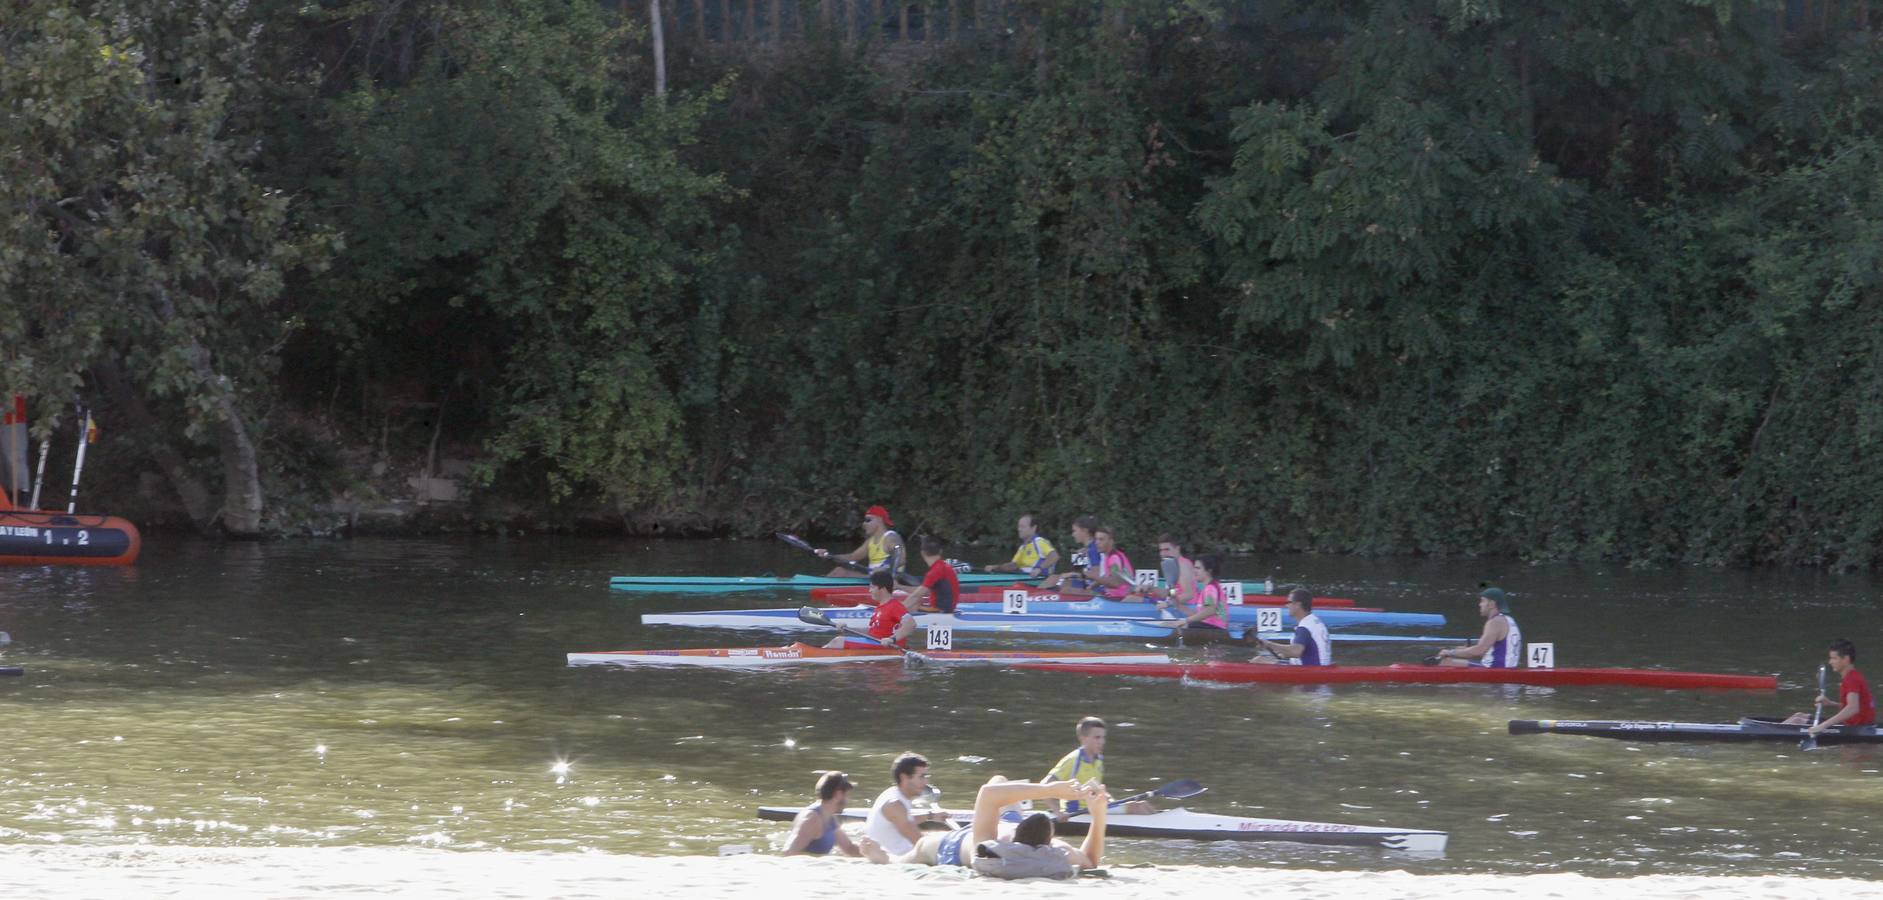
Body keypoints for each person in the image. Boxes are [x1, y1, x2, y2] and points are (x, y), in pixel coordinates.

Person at [858, 777, 1110, 879]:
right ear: (1049, 841)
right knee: (1000, 779)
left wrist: (1050, 790)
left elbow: (986, 794)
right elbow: (1091, 859)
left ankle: (885, 859)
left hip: (954, 845)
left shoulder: (990, 844)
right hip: (1005, 822)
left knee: (919, 849)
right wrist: (1099, 814)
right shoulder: (1057, 849)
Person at [1043, 717, 1156, 818]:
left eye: (1103, 737)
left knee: (1143, 804)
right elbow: (1045, 785)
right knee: (1136, 808)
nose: (1102, 742)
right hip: (1077, 811)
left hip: (1096, 806)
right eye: (1097, 737)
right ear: (1083, 738)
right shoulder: (1073, 760)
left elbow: (1097, 789)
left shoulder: (1099, 760)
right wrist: (1058, 812)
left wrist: (1114, 802)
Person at [864, 752, 954, 857]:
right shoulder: (895, 805)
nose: (926, 782)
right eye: (922, 777)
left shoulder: (893, 794)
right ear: (904, 778)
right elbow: (922, 845)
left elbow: (905, 820)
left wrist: (931, 816)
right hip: (896, 863)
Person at [1781, 639, 1876, 735]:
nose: (1830, 662)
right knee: (1799, 715)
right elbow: (1857, 705)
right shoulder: (1853, 676)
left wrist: (1822, 726)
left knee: (1797, 720)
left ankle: (1772, 734)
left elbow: (1853, 708)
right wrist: (1831, 703)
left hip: (1858, 729)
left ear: (1846, 659)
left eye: (1834, 658)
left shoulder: (1851, 679)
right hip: (1859, 726)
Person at [823, 570, 916, 649]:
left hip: (888, 646)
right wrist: (847, 628)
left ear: (882, 589)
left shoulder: (895, 606)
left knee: (838, 641)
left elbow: (911, 624)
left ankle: (814, 655)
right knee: (840, 639)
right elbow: (871, 632)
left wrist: (892, 639)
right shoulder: (880, 608)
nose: (869, 591)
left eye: (872, 587)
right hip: (876, 642)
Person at [781, 771, 863, 857]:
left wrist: (873, 853)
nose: (848, 800)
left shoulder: (830, 818)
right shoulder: (811, 819)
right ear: (838, 794)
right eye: (847, 795)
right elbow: (788, 852)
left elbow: (849, 848)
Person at [1437, 586, 1522, 667]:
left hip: (1494, 669)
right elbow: (1487, 649)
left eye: (1483, 601)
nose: (1480, 604)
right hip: (1507, 668)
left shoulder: (1495, 622)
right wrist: (1463, 650)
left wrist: (1450, 652)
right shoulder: (1509, 619)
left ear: (1492, 604)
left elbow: (1479, 651)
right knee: (1457, 656)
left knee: (1444, 662)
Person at [817, 505, 905, 578]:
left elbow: (901, 559)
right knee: (839, 571)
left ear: (879, 520)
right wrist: (829, 556)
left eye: (868, 520)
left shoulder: (891, 537)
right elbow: (852, 557)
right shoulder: (870, 541)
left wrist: (884, 569)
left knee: (840, 572)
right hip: (874, 578)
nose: (864, 524)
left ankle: (818, 586)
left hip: (889, 579)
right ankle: (819, 584)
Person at [1256, 588, 1332, 666]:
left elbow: (1295, 652)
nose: (1286, 605)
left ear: (1297, 605)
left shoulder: (1304, 627)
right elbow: (1304, 651)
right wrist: (1275, 657)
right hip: (1316, 669)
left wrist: (1269, 644)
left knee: (1257, 662)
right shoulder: (1314, 621)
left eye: (1289, 602)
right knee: (1263, 660)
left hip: (1311, 672)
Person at [1158, 554, 1228, 631]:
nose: (1194, 571)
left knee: (1166, 625)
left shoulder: (1210, 589)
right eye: (1194, 567)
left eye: (1198, 568)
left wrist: (1185, 620)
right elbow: (1199, 615)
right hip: (1212, 627)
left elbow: (1210, 610)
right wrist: (1178, 605)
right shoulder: (1211, 587)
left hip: (1213, 628)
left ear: (1209, 571)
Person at [984, 513, 1059, 579]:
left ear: (1033, 528)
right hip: (1023, 580)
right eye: (1019, 526)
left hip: (1038, 581)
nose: (1019, 529)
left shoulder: (1039, 542)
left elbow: (1054, 556)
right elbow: (1013, 566)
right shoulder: (1022, 547)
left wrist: (1039, 569)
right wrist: (995, 567)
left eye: (1023, 527)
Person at [902, 535, 962, 614]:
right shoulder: (944, 567)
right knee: (915, 602)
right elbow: (922, 591)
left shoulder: (934, 572)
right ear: (940, 551)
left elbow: (916, 596)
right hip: (948, 608)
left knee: (912, 605)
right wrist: (900, 587)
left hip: (941, 611)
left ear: (922, 553)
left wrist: (897, 610)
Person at [1038, 516, 1099, 591]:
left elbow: (1096, 575)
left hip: (1094, 589)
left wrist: (1074, 574)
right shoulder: (1084, 550)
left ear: (1084, 531)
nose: (1073, 535)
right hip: (1084, 584)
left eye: (1074, 531)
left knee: (1064, 589)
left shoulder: (1093, 550)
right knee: (1053, 578)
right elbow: (1077, 571)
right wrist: (1078, 558)